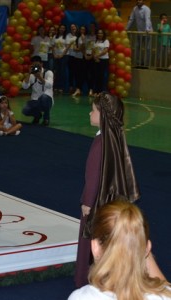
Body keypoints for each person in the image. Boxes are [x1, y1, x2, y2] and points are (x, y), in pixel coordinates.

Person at [74, 92, 140, 288]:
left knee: (90, 242)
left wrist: (87, 202)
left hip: (96, 203)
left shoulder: (101, 143)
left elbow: (93, 177)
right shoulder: (115, 139)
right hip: (109, 200)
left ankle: (85, 281)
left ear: (102, 114)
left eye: (93, 110)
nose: (89, 113)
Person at [69, 200, 171, 300]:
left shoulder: (81, 297)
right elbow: (165, 289)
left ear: (95, 247)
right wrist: (136, 244)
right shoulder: (164, 295)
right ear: (147, 248)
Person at [21, 55, 54, 126]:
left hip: (47, 101)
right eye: (34, 65)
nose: (36, 67)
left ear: (42, 64)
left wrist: (39, 77)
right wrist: (29, 73)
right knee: (25, 110)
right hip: (35, 101)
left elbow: (49, 85)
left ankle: (46, 118)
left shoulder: (48, 72)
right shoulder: (31, 75)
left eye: (37, 64)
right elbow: (24, 86)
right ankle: (37, 116)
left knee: (44, 97)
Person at [126, 0, 153, 66]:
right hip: (139, 32)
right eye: (138, 0)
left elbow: (147, 19)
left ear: (143, 1)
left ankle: (146, 64)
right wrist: (126, 28)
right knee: (137, 47)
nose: (138, 1)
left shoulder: (146, 9)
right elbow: (131, 19)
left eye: (140, 0)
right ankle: (138, 63)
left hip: (148, 32)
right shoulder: (134, 9)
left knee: (148, 48)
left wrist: (147, 29)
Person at [92, 29, 109, 94]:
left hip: (103, 60)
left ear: (103, 34)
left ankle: (102, 91)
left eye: (101, 33)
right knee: (96, 75)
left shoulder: (106, 41)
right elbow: (93, 50)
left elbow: (105, 51)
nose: (100, 34)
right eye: (98, 33)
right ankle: (96, 91)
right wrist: (95, 57)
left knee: (102, 76)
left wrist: (97, 56)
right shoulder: (95, 41)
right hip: (96, 60)